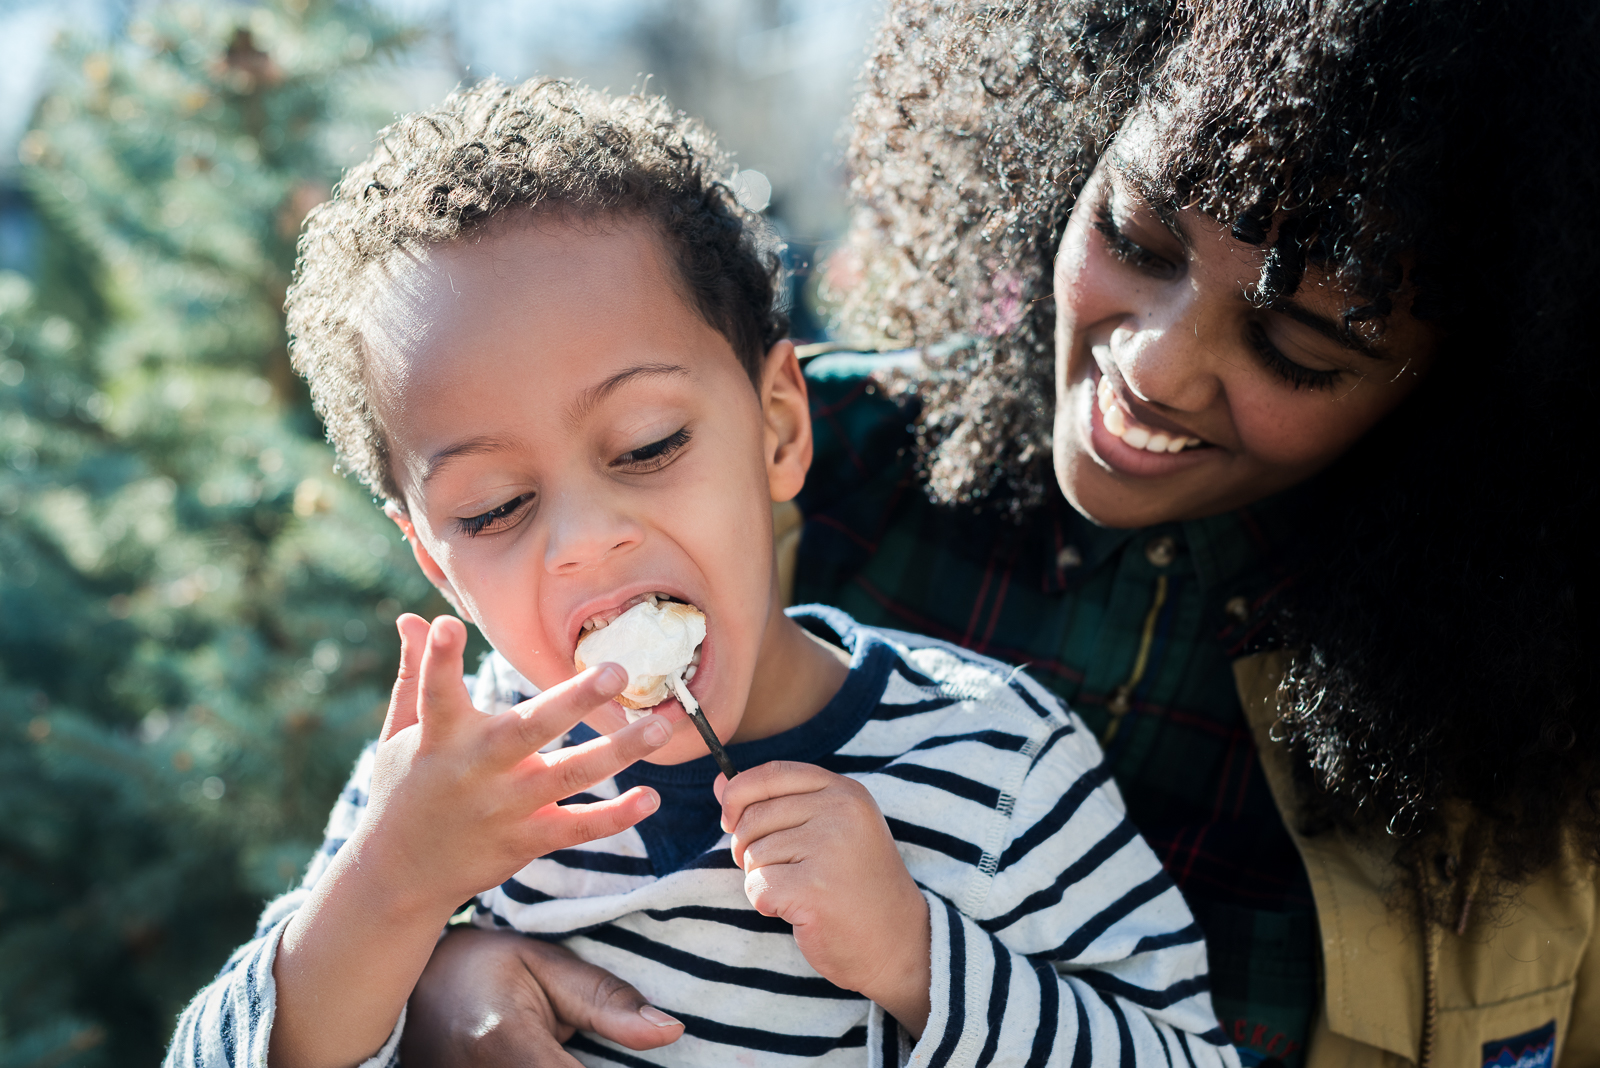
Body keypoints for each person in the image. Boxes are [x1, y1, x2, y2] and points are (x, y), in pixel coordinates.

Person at [398, 0, 1600, 1066]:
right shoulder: (792, 467)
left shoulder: (1532, 715)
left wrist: (930, 959)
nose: (1152, 370)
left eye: (1297, 346)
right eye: (1136, 240)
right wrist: (433, 974)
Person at [163, 77, 1242, 1068]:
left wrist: (921, 960)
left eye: (646, 447)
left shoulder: (996, 766)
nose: (586, 540)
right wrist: (392, 891)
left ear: (777, 427)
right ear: (435, 565)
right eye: (493, 509)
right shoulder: (446, 787)